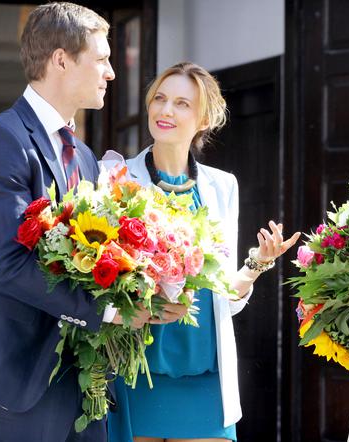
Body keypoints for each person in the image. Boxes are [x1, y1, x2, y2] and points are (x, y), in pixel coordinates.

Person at [0, 3, 126, 441]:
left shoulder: (86, 157)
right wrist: (108, 310)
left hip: (83, 380)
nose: (111, 72)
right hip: (17, 372)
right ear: (61, 59)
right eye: (101, 58)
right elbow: (7, 263)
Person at [104, 62, 301, 442]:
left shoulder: (222, 186)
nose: (165, 111)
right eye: (159, 99)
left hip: (206, 371)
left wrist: (258, 263)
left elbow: (223, 294)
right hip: (136, 366)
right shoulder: (115, 178)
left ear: (204, 118)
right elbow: (99, 282)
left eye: (181, 103)